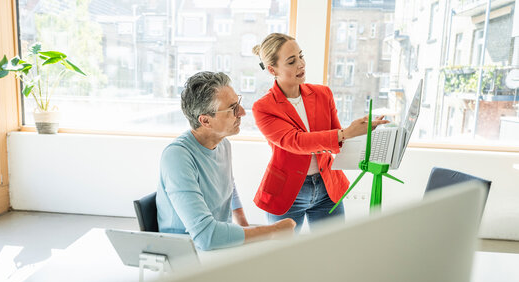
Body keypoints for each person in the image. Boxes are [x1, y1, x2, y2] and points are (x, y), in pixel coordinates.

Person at [252, 33, 388, 232]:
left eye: (301, 56)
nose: (301, 64)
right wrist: (345, 133)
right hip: (288, 193)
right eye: (291, 61)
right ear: (272, 69)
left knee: (332, 252)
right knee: (283, 258)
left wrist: (363, 130)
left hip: (327, 188)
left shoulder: (323, 94)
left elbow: (338, 139)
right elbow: (296, 142)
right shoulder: (263, 107)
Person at [156, 71, 296, 251]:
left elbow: (228, 185)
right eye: (232, 108)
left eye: (238, 103)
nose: (242, 112)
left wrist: (244, 224)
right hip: (188, 251)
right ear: (205, 120)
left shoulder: (223, 145)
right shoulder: (177, 157)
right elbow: (206, 237)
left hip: (219, 244)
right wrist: (272, 231)